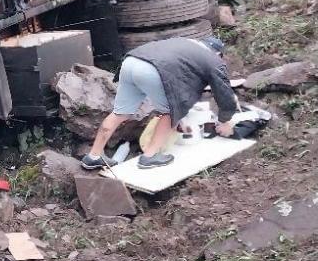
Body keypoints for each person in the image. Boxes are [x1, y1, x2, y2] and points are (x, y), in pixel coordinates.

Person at [81, 36, 239, 170]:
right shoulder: (213, 60)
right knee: (170, 113)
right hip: (153, 69)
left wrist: (181, 118)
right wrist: (225, 121)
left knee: (119, 113)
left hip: (131, 62)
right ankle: (149, 156)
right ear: (218, 53)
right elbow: (224, 93)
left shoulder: (185, 44)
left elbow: (177, 88)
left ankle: (93, 156)